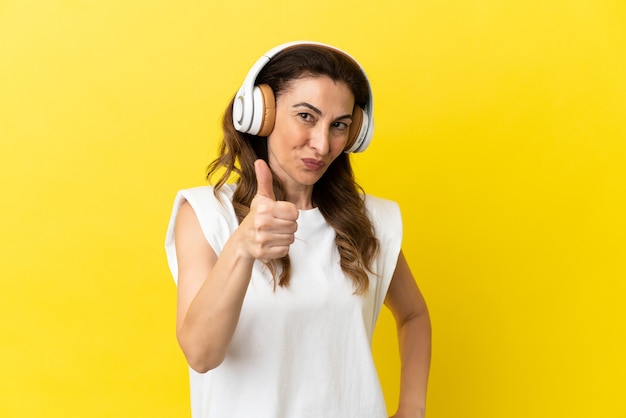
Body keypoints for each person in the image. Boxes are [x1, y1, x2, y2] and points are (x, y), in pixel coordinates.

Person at [165, 41, 431, 418]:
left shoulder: (371, 222)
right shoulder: (207, 214)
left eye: (338, 125)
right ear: (262, 114)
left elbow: (414, 316)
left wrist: (412, 407)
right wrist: (241, 247)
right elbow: (201, 354)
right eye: (306, 116)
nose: (322, 144)